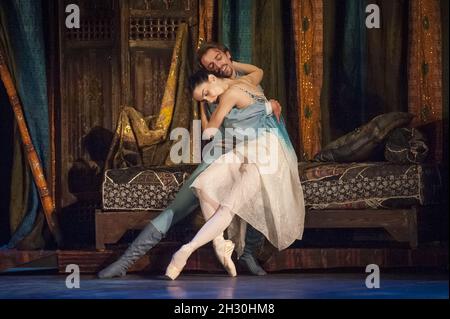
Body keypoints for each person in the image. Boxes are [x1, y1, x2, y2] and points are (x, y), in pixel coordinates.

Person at [97, 44, 282, 279]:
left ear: (228, 54)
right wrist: (204, 105)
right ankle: (125, 261)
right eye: (210, 66)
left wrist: (269, 106)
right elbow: (210, 131)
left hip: (250, 155)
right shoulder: (212, 92)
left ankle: (247, 255)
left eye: (219, 58)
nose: (218, 65)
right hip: (222, 155)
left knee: (260, 191)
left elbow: (260, 103)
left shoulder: (249, 82)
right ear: (208, 74)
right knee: (179, 206)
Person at [165, 65, 305, 280]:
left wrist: (202, 110)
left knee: (229, 204)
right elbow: (259, 70)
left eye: (205, 94)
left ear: (212, 78)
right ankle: (220, 243)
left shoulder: (229, 94)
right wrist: (230, 65)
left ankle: (186, 250)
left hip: (267, 150)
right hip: (248, 147)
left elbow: (210, 132)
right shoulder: (249, 81)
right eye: (203, 100)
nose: (209, 100)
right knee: (203, 184)